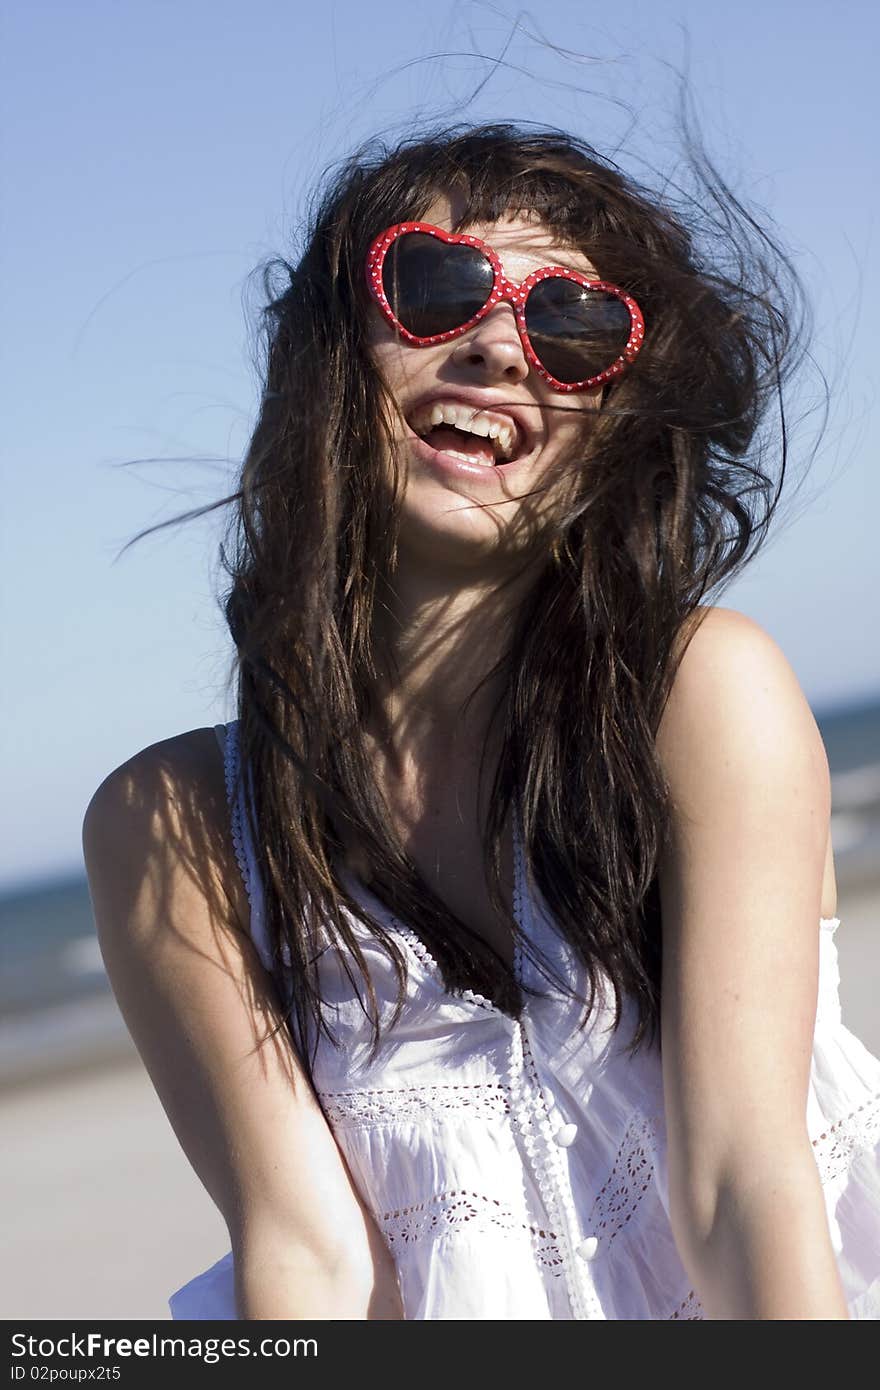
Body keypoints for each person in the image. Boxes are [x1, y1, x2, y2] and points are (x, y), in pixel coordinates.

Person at [82, 123, 880, 1320]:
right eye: (436, 285)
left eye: (575, 331)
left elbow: (738, 1193)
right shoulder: (175, 821)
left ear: (612, 429)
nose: (504, 346)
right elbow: (309, 1258)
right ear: (324, 352)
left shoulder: (696, 692)